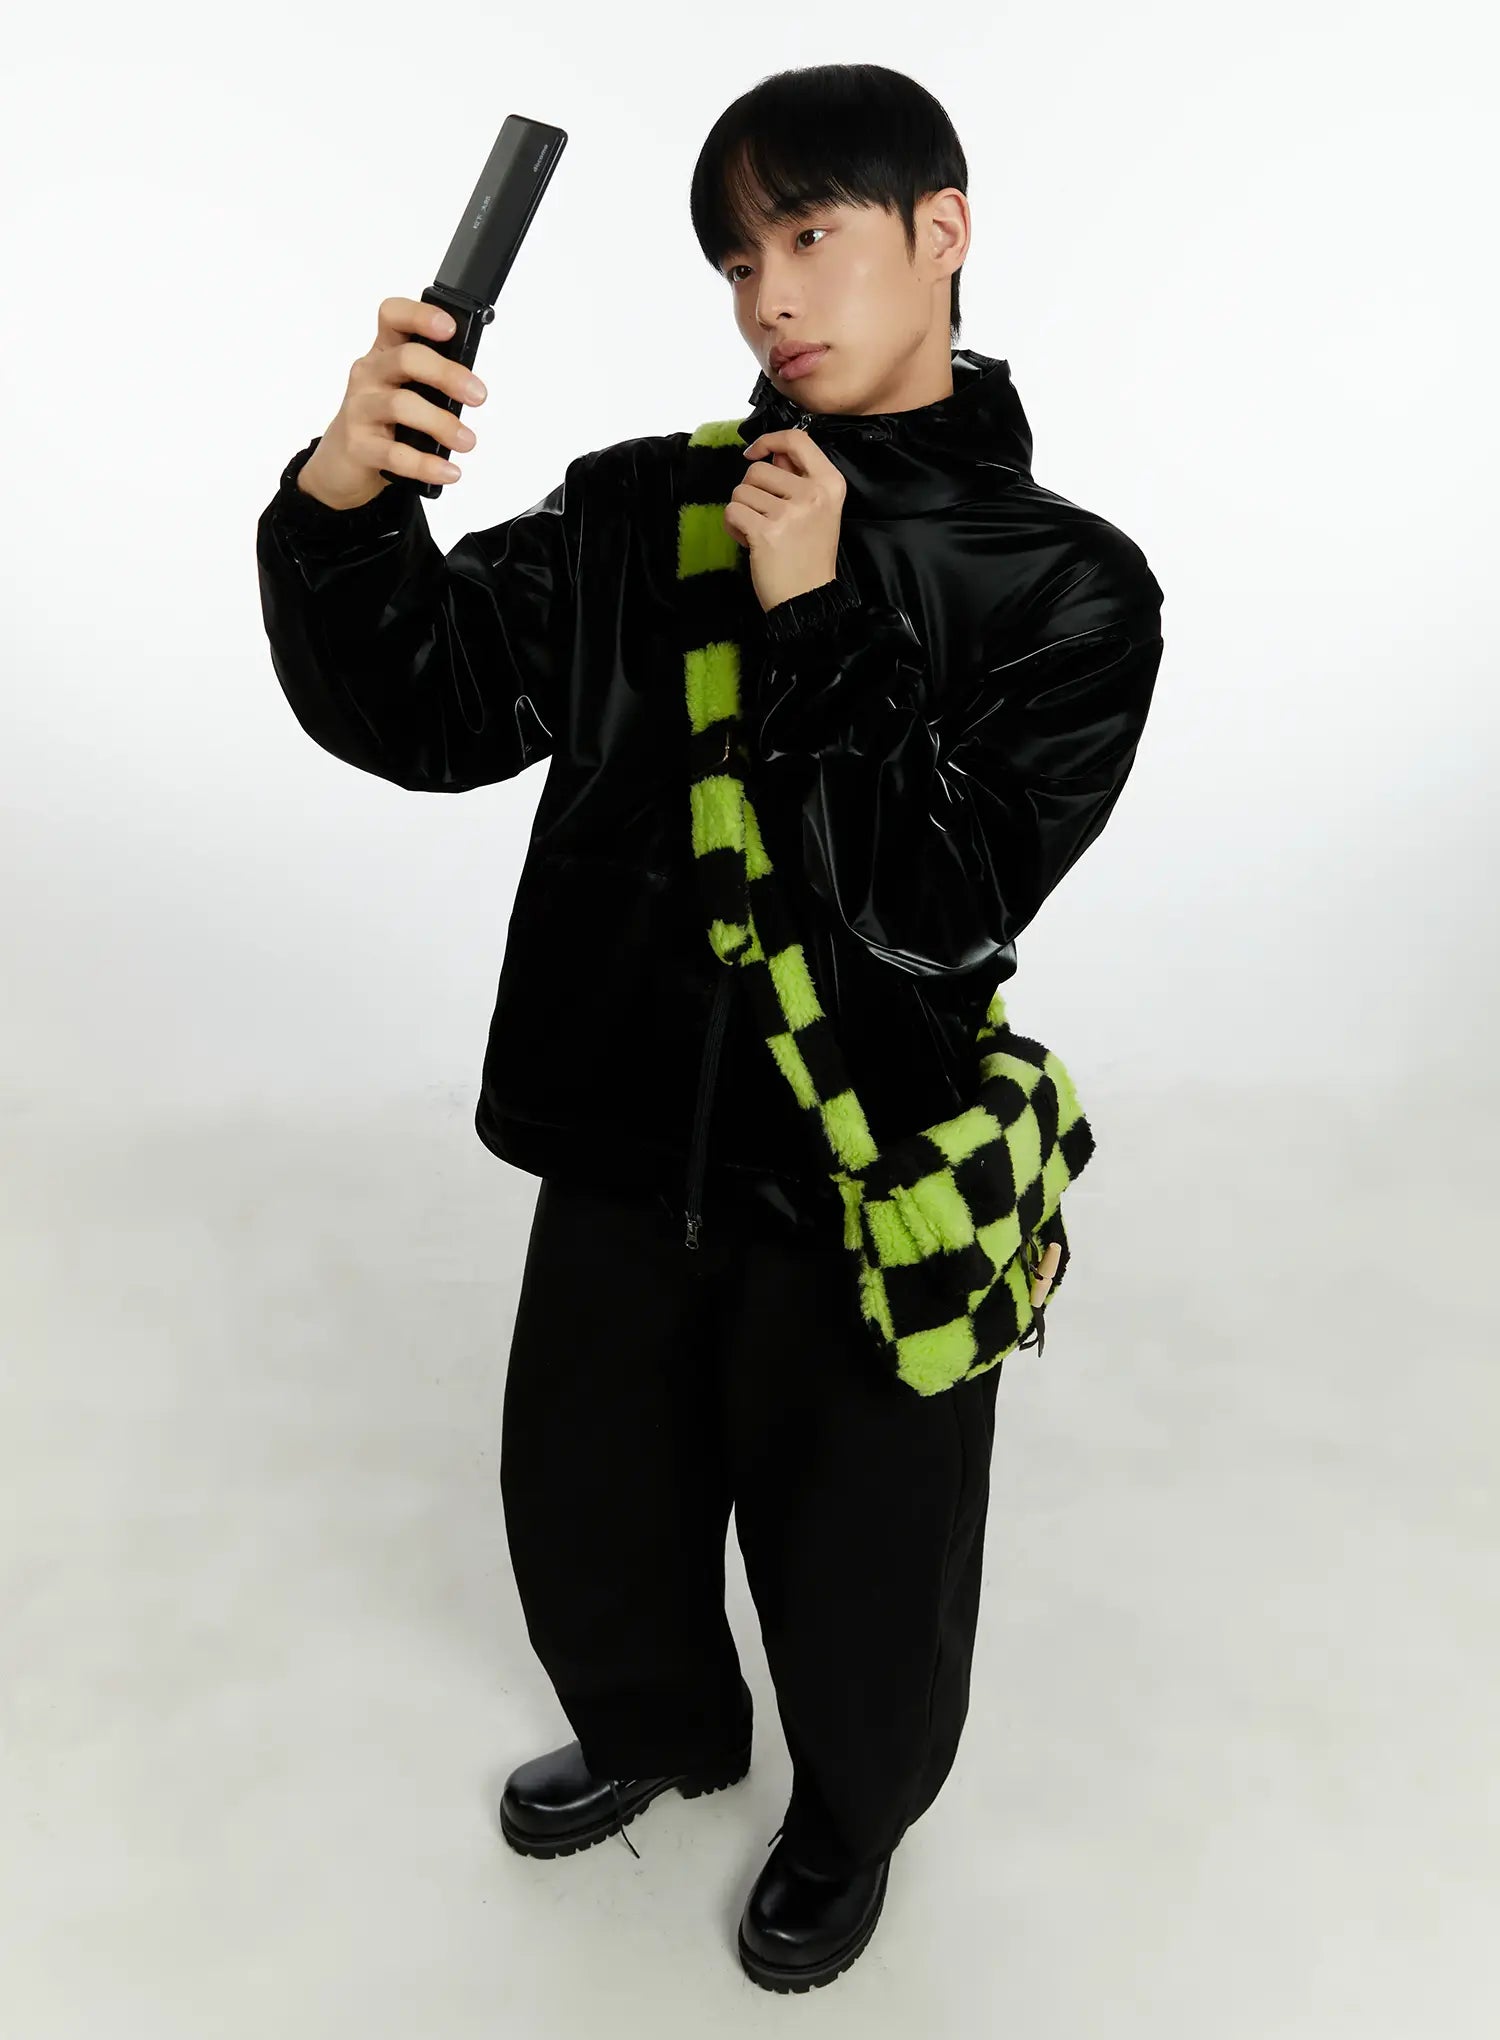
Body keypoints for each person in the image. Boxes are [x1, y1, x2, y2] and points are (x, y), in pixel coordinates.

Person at [255, 61, 1165, 1994]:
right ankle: (661, 1729)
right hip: (618, 1134)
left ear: (943, 230)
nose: (771, 296)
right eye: (739, 260)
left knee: (867, 1562)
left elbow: (939, 901)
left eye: (811, 233)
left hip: (862, 1168)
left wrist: (819, 615)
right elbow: (421, 708)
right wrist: (344, 502)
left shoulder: (1069, 587)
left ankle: (849, 1817)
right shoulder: (640, 508)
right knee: (589, 1503)